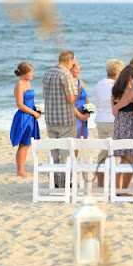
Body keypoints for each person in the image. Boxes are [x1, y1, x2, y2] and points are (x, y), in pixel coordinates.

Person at [43, 50, 81, 187]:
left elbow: (45, 96)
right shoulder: (66, 75)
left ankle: (54, 181)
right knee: (65, 153)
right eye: (73, 61)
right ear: (68, 61)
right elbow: (71, 99)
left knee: (54, 152)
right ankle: (63, 183)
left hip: (51, 118)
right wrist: (78, 93)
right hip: (65, 119)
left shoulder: (47, 73)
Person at [93, 59, 123, 186]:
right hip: (112, 120)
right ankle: (117, 183)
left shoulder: (99, 84)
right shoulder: (116, 86)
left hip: (100, 119)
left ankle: (101, 182)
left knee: (104, 151)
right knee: (115, 152)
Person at [10, 62, 41, 177]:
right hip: (24, 116)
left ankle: (21, 169)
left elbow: (30, 102)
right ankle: (20, 171)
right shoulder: (20, 85)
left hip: (31, 116)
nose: (32, 74)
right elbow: (20, 105)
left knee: (27, 143)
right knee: (23, 144)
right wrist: (33, 112)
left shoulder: (28, 83)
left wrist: (37, 111)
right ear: (24, 73)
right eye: (31, 72)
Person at [111, 65, 133, 189]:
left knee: (122, 160)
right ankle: (124, 189)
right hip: (131, 126)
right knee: (131, 160)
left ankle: (118, 188)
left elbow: (114, 111)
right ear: (129, 78)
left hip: (119, 126)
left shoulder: (115, 90)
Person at [70, 62, 90, 139]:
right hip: (74, 115)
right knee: (75, 139)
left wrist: (88, 112)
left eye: (79, 69)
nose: (78, 71)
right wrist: (79, 115)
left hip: (83, 115)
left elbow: (86, 99)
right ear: (71, 70)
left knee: (83, 138)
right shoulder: (69, 84)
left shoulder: (81, 82)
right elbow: (70, 103)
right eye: (76, 69)